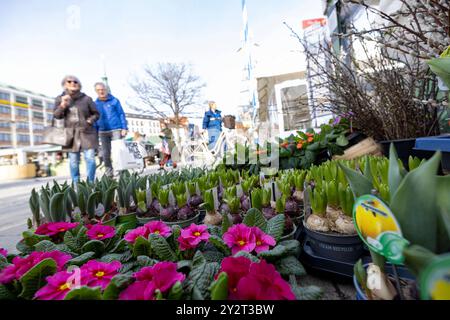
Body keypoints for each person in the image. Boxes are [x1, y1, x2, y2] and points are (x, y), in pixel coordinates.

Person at [54, 75, 99, 183]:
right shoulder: (60, 99)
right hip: (71, 134)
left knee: (90, 159)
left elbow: (96, 114)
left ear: (79, 85)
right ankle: (76, 184)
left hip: (87, 133)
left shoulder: (86, 99)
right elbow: (57, 115)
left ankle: (90, 183)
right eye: (69, 81)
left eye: (75, 82)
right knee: (73, 161)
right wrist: (63, 105)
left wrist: (90, 121)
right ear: (64, 84)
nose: (72, 83)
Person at [94, 82, 128, 177]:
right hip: (102, 131)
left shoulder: (114, 101)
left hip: (116, 129)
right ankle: (109, 172)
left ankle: (122, 172)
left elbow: (121, 114)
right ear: (96, 91)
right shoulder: (95, 104)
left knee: (118, 151)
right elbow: (95, 118)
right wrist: (95, 131)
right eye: (99, 90)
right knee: (105, 153)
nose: (101, 91)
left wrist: (124, 127)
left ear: (106, 90)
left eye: (103, 89)